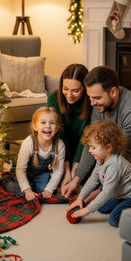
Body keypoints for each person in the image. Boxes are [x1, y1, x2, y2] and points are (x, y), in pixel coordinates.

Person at [63, 66, 131, 198]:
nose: (91, 103)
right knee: (107, 200)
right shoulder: (98, 104)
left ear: (113, 92)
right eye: (90, 97)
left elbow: (124, 157)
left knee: (130, 194)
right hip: (127, 149)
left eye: (97, 97)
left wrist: (100, 191)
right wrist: (77, 179)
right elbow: (92, 142)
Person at [66, 121, 131, 227]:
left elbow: (106, 192)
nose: (89, 151)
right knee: (102, 208)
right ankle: (123, 205)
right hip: (119, 194)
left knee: (114, 219)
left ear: (108, 147)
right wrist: (80, 198)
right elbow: (94, 178)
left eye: (93, 148)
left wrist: (86, 211)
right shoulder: (101, 158)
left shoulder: (114, 165)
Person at [1, 107, 65, 201]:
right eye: (43, 122)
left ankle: (36, 186)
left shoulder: (60, 145)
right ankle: (5, 179)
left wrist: (49, 189)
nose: (48, 126)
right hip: (23, 170)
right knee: (21, 192)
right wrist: (27, 190)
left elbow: (58, 170)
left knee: (42, 192)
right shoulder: (28, 143)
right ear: (35, 126)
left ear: (57, 128)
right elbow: (20, 169)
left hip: (41, 173)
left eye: (52, 123)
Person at [47, 64, 91, 193]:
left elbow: (87, 134)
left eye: (76, 90)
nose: (69, 95)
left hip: (84, 148)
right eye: (65, 88)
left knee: (86, 177)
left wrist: (75, 169)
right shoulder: (53, 98)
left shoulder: (91, 100)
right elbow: (60, 133)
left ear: (85, 88)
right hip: (60, 146)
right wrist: (66, 169)